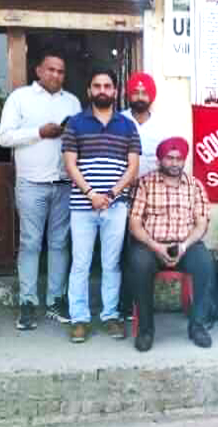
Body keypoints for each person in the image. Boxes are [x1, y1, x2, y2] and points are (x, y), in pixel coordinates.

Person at [0, 49, 81, 329]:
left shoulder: (72, 102)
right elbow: (4, 137)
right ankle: (28, 303)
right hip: (31, 183)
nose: (56, 75)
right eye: (51, 69)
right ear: (38, 71)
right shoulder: (20, 98)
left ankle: (55, 300)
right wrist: (38, 132)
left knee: (60, 243)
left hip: (64, 183)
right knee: (30, 243)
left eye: (60, 71)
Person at [62, 69, 141, 344]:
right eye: (97, 86)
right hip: (82, 206)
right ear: (89, 90)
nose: (102, 90)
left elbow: (132, 167)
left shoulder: (128, 125)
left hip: (116, 206)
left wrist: (109, 194)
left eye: (107, 86)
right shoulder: (75, 123)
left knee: (111, 263)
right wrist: (91, 194)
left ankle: (110, 316)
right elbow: (70, 164)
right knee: (80, 263)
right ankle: (79, 319)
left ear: (115, 91)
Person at [127, 137, 216, 350]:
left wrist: (184, 246)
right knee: (139, 265)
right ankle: (146, 330)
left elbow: (201, 224)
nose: (175, 163)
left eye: (179, 158)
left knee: (205, 263)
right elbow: (134, 224)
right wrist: (156, 246)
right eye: (169, 158)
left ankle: (197, 326)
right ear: (160, 160)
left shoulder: (195, 186)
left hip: (185, 244)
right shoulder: (145, 183)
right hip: (151, 245)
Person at [118, 72, 172, 321]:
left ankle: (140, 305)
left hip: (151, 199)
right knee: (120, 251)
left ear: (151, 97)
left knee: (141, 250)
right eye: (136, 92)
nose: (140, 96)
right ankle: (123, 305)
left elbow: (167, 161)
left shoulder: (162, 126)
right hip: (120, 195)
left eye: (144, 93)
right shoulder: (119, 121)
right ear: (129, 95)